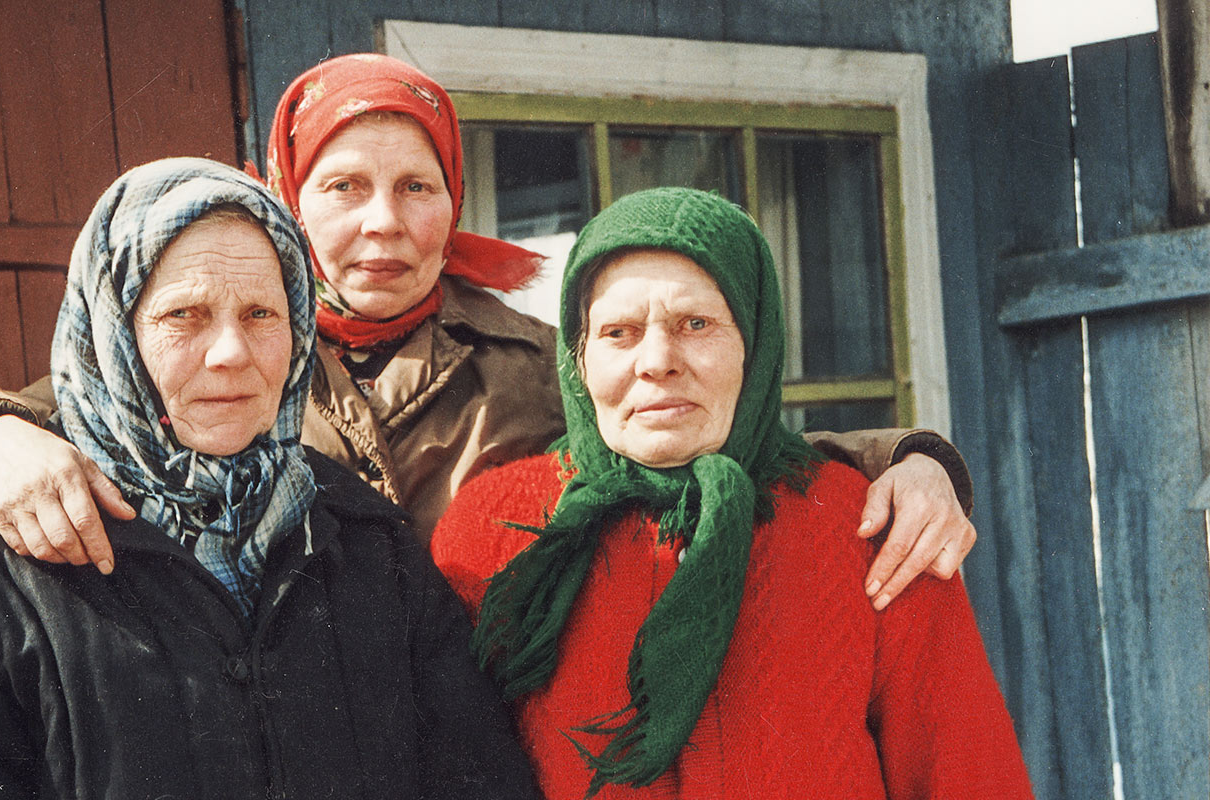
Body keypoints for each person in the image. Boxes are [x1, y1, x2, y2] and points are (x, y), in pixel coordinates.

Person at [0, 53, 974, 611]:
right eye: (345, 185)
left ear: (452, 196)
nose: (384, 222)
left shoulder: (526, 362)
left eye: (417, 185)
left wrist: (914, 459)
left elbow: (706, 439)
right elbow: (55, 417)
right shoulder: (230, 345)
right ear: (286, 197)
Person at [0, 159, 541, 799]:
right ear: (114, 334)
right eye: (184, 314)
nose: (230, 352)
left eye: (262, 313)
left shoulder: (366, 544)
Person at [432, 188, 1032, 799]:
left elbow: (968, 774)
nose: (657, 360)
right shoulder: (493, 525)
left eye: (696, 324)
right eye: (619, 332)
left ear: (755, 342)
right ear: (578, 359)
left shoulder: (869, 523)